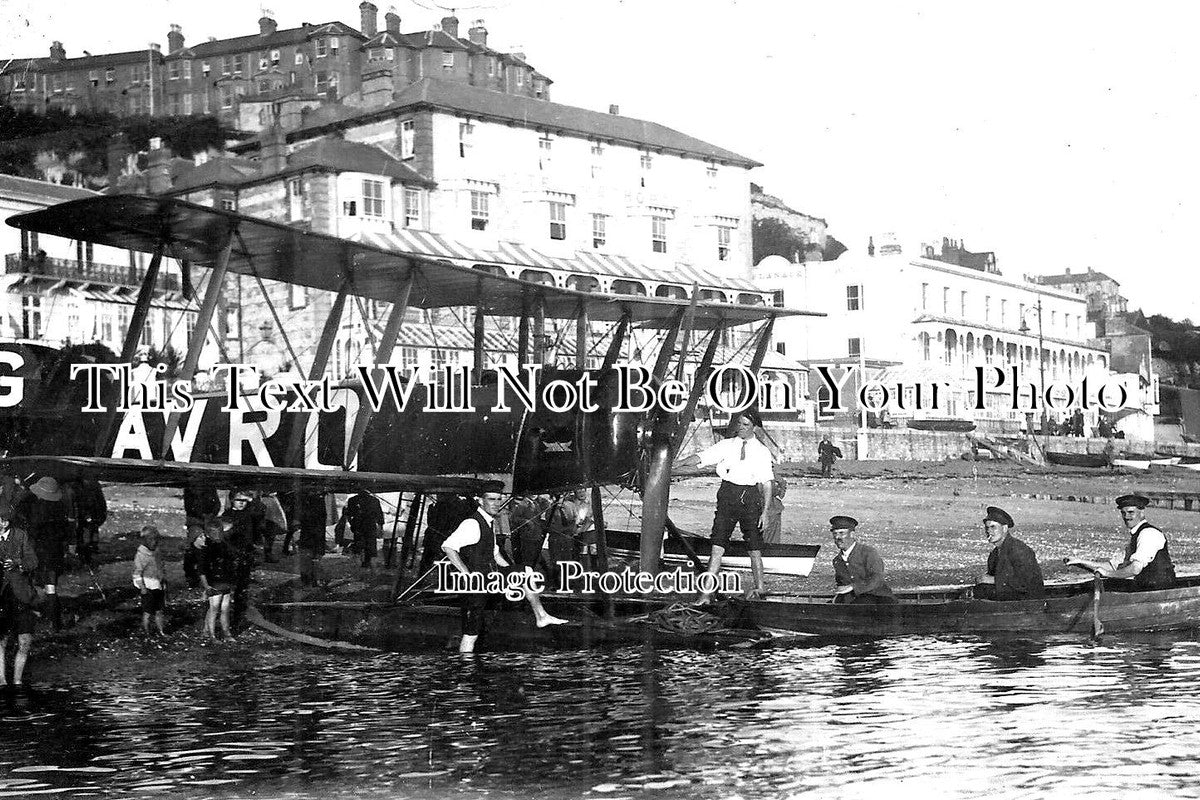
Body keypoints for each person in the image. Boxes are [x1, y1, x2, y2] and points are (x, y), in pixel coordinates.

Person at [441, 482, 566, 654]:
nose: (496, 503)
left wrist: (513, 572)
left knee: (526, 571)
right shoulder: (472, 523)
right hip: (475, 586)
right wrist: (465, 574)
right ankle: (465, 673)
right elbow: (448, 547)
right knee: (470, 635)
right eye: (491, 499)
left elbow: (495, 554)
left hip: (491, 580)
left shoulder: (489, 523)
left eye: (499, 499)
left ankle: (542, 616)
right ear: (480, 501)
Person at [675, 411, 773, 601]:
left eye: (746, 425)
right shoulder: (726, 445)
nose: (741, 428)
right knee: (717, 546)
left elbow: (767, 483)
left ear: (755, 427)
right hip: (727, 496)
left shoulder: (762, 451)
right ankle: (705, 594)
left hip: (750, 498)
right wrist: (676, 464)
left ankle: (760, 588)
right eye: (739, 424)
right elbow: (701, 457)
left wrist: (766, 512)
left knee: (754, 548)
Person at [1067, 494, 1176, 591]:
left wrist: (1108, 574)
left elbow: (1135, 569)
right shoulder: (1136, 535)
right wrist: (1080, 562)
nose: (1126, 517)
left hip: (1159, 589)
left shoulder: (1149, 534)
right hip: (1145, 587)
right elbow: (1112, 567)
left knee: (1108, 585)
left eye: (1131, 512)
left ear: (1141, 512)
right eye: (1123, 513)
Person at [16, 477, 68, 631]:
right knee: (51, 587)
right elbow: (65, 532)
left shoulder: (36, 508)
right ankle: (55, 622)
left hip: (37, 551)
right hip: (54, 553)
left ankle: (35, 612)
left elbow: (31, 532)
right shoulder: (60, 508)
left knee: (31, 581)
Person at [0, 505, 38, 688]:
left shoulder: (20, 536)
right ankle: (1, 680)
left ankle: (17, 681)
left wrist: (18, 563)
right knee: (1, 639)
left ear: (5, 522)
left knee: (24, 640)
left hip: (20, 594)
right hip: (1, 596)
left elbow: (33, 562)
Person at [974, 507, 1044, 601]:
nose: (988, 531)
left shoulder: (1019, 550)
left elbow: (1026, 582)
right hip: (1010, 599)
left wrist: (993, 580)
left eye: (993, 527)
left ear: (1004, 528)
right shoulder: (994, 554)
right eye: (987, 527)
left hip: (1028, 603)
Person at [830, 515, 895, 604]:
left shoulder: (868, 552)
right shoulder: (837, 560)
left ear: (852, 534)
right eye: (835, 534)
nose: (838, 537)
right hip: (856, 600)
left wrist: (853, 587)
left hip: (879, 598)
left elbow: (877, 579)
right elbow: (842, 585)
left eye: (842, 533)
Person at [198, 517, 238, 641]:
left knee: (223, 608)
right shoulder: (206, 549)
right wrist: (206, 586)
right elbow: (202, 570)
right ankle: (212, 635)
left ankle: (225, 634)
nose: (217, 535)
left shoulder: (224, 546)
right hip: (214, 581)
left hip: (224, 580)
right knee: (215, 608)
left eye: (219, 532)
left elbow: (231, 562)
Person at [131, 525, 167, 636]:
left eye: (156, 539)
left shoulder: (157, 552)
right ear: (145, 540)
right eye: (151, 539)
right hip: (147, 586)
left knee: (159, 610)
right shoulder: (141, 555)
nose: (154, 542)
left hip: (158, 585)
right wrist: (142, 588)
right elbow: (137, 573)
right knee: (147, 612)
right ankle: (147, 632)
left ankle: (161, 631)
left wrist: (164, 580)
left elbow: (161, 567)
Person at [64, 477, 106, 567]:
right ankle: (87, 553)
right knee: (87, 534)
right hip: (89, 515)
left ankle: (85, 556)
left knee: (85, 536)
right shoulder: (92, 484)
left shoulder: (81, 487)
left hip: (87, 516)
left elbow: (88, 503)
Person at [337, 491, 384, 569]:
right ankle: (368, 566)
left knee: (361, 547)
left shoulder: (353, 500)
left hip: (361, 526)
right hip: (367, 526)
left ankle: (363, 565)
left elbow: (348, 514)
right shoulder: (373, 500)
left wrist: (352, 524)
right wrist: (380, 527)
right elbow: (379, 515)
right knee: (368, 547)